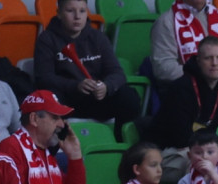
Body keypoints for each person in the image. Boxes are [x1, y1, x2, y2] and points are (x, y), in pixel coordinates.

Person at [146, 36, 218, 184]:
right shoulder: (181, 88)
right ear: (198, 60)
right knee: (199, 163)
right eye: (208, 58)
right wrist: (210, 153)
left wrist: (215, 150)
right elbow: (180, 137)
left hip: (208, 149)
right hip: (170, 152)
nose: (215, 63)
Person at [33, 0, 141, 139]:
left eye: (82, 11)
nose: (77, 16)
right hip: (67, 100)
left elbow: (117, 73)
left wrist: (106, 87)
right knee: (50, 98)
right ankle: (58, 148)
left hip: (96, 98)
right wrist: (75, 86)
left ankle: (120, 143)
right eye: (70, 11)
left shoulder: (98, 37)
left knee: (129, 96)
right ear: (59, 13)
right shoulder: (46, 39)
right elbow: (44, 78)